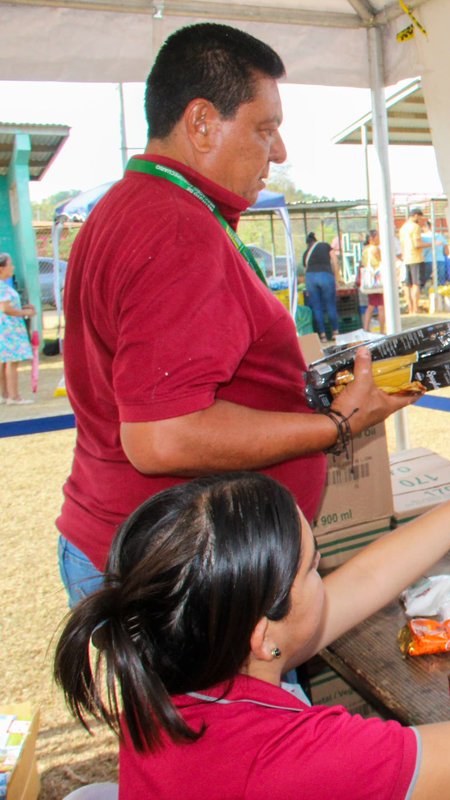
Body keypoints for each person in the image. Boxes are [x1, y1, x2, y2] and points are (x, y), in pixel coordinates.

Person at [56, 23, 412, 606]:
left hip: (142, 544)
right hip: (181, 574)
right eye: (264, 129)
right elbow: (162, 436)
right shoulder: (177, 228)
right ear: (200, 123)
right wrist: (338, 425)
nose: (279, 151)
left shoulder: (132, 204)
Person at [54, 446, 450, 799]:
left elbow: (369, 577)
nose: (326, 572)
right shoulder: (299, 759)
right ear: (263, 637)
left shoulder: (171, 667)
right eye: (311, 568)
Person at [0, 253, 35, 405]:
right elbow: (6, 308)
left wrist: (22, 307)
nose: (12, 267)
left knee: (4, 362)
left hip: (8, 328)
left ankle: (5, 394)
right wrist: (25, 313)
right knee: (12, 362)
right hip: (8, 330)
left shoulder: (5, 286)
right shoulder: (2, 287)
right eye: (10, 264)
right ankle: (14, 396)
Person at [302, 232, 340, 343]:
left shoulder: (306, 253)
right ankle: (335, 333)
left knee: (317, 307)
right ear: (316, 239)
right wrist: (337, 277)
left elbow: (305, 270)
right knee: (330, 305)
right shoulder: (324, 245)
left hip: (310, 278)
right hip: (325, 276)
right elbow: (335, 260)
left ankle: (322, 336)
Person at [400, 209, 426, 315]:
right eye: (420, 217)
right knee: (416, 284)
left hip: (406, 258)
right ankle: (415, 308)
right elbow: (417, 244)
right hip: (416, 258)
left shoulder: (403, 228)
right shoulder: (415, 227)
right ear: (415, 215)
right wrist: (433, 243)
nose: (420, 220)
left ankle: (410, 308)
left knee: (407, 284)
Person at [359, 229, 385, 332]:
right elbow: (382, 261)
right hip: (377, 281)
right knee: (381, 306)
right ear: (372, 238)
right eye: (378, 236)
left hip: (369, 282)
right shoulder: (375, 249)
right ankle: (382, 330)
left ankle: (366, 328)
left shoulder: (365, 249)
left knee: (370, 305)